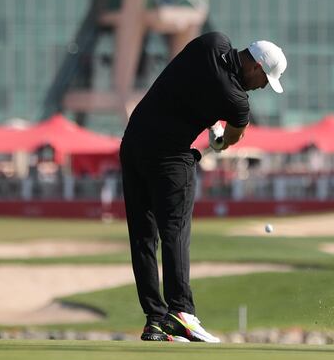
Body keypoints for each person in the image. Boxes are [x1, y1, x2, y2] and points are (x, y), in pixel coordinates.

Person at [120, 32, 287, 342]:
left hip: (133, 142)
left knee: (143, 237)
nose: (263, 86)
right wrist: (218, 140)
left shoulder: (212, 42)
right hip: (170, 156)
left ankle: (155, 320)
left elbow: (189, 78)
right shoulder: (238, 102)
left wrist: (211, 120)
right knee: (175, 231)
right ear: (256, 66)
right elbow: (233, 137)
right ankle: (181, 312)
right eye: (265, 79)